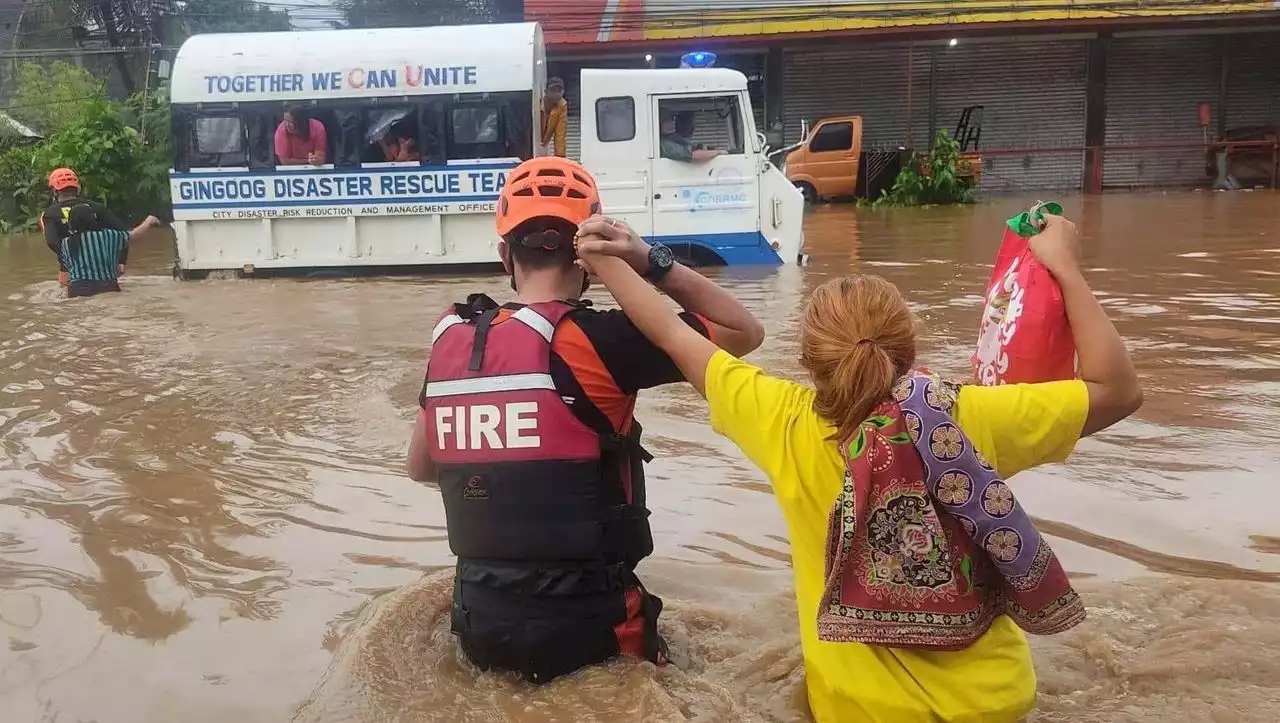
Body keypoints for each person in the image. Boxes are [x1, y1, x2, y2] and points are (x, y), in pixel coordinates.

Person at [574, 214, 1143, 722]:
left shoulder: (782, 423)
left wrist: (610, 258)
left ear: (807, 360)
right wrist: (1063, 267)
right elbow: (1118, 390)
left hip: (857, 712)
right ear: (910, 351)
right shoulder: (967, 418)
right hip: (994, 703)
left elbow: (672, 332)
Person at [405, 156, 764, 684]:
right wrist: (648, 261)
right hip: (593, 629)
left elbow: (420, 467)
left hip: (478, 623)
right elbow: (743, 331)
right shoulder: (606, 340)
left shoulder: (452, 342)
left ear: (506, 253)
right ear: (589, 257)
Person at [40, 168, 160, 288]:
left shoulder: (50, 214)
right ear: (77, 187)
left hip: (70, 271)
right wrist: (121, 261)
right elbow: (124, 234)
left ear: (55, 191)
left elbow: (52, 243)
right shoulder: (96, 208)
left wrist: (69, 261)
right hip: (105, 270)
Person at [60, 203, 131, 298]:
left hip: (77, 290)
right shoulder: (107, 235)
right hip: (106, 287)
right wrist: (148, 222)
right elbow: (131, 237)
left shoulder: (66, 242)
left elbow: (68, 270)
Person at [659, 111, 725, 164]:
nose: (673, 122)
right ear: (659, 123)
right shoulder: (664, 144)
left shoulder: (670, 138)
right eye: (668, 120)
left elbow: (687, 144)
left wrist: (704, 147)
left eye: (673, 119)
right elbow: (693, 156)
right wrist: (718, 152)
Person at [539, 77, 568, 157]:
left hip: (542, 145)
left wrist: (560, 158)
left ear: (563, 92)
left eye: (559, 91)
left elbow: (560, 135)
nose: (556, 93)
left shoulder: (562, 105)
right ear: (546, 91)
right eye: (553, 90)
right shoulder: (537, 103)